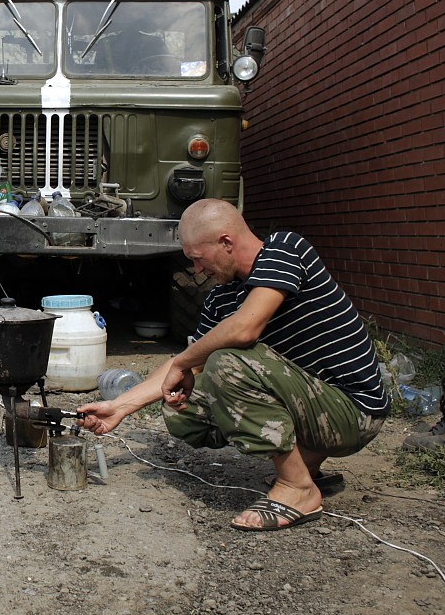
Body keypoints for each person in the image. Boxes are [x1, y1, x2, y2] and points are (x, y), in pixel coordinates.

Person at [78, 199, 390, 531]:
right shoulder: (220, 298)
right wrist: (120, 407)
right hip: (312, 405)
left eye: (198, 259)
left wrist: (185, 360)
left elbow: (244, 330)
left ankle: (298, 489)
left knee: (226, 363)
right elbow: (185, 369)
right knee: (184, 410)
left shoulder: (284, 249)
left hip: (354, 413)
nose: (197, 271)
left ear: (226, 242)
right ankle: (306, 465)